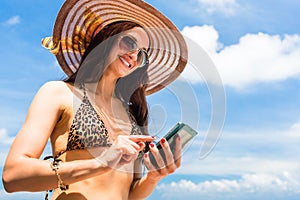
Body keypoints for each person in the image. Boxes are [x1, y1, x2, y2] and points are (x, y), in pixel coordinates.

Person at [2, 0, 188, 199]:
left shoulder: (132, 116)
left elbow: (128, 194)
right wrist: (102, 163)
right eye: (130, 43)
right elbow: (13, 175)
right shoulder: (58, 93)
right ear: (106, 39)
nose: (134, 55)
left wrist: (153, 177)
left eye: (143, 54)